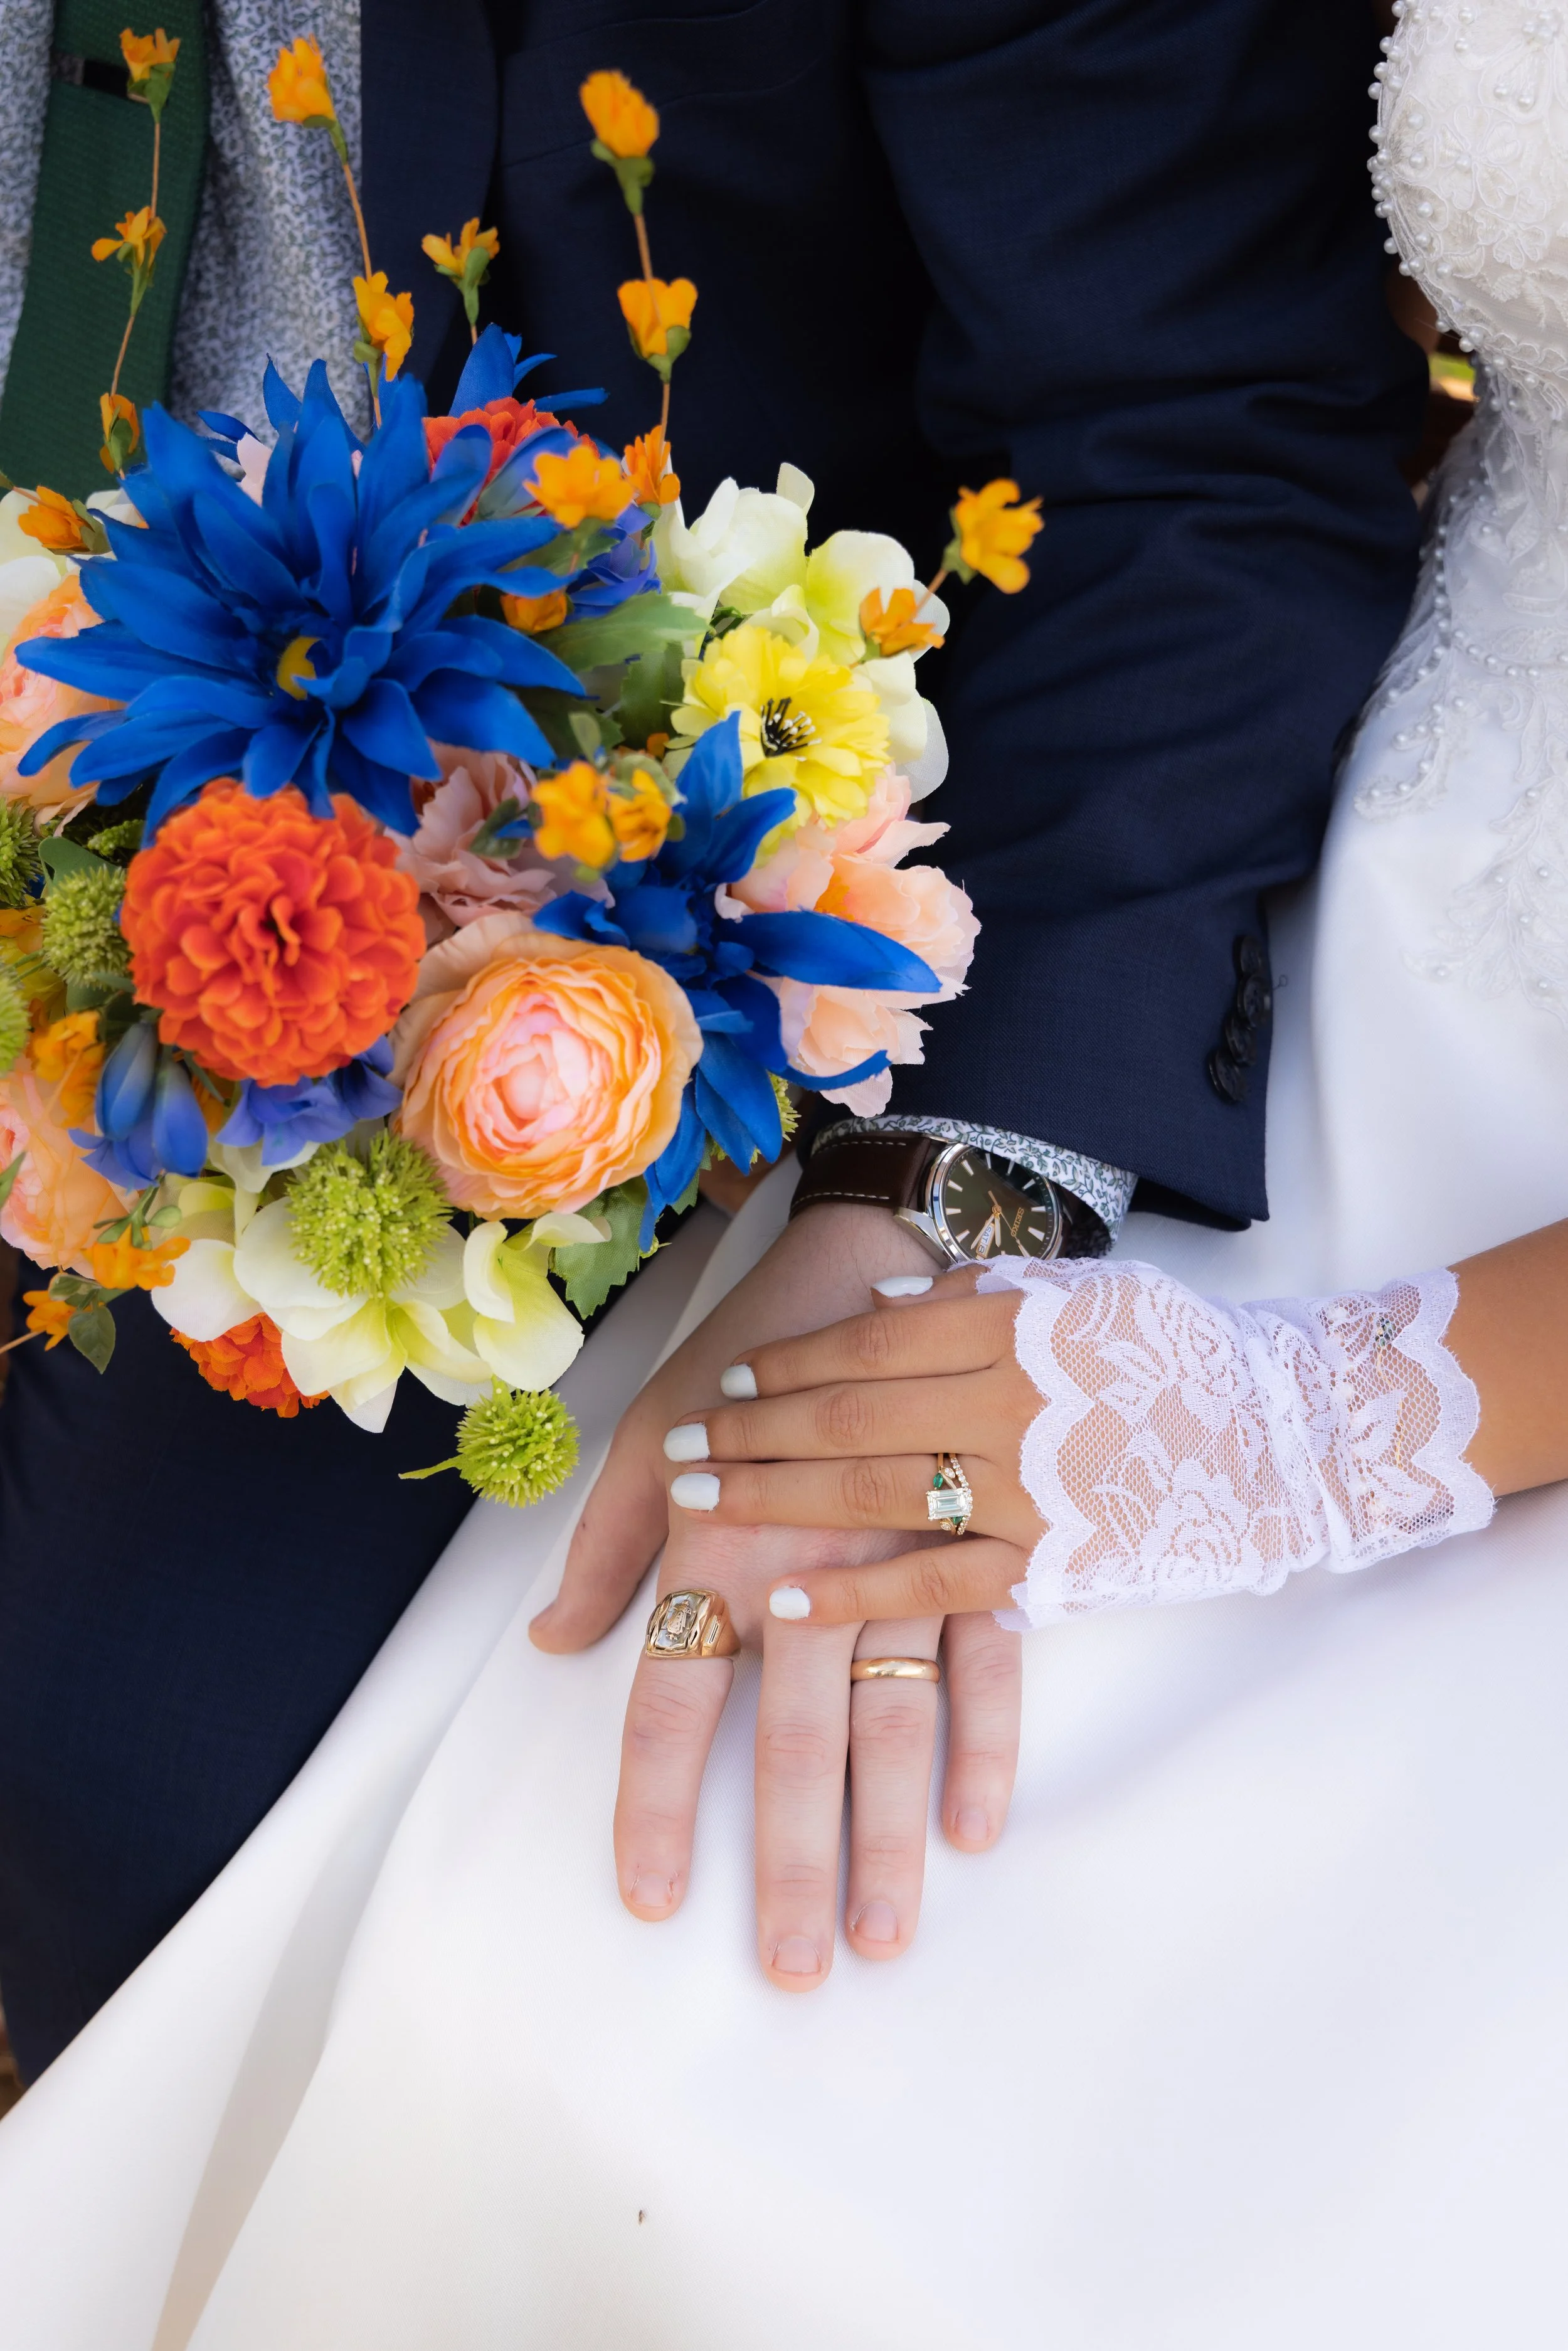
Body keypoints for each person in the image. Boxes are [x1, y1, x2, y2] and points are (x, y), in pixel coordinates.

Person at [0, 9, 1564, 2345]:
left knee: (649, 2061)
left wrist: (1197, 1362)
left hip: (1287, 1091)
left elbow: (1195, 438)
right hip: (1382, 844)